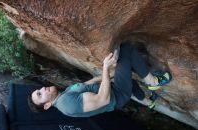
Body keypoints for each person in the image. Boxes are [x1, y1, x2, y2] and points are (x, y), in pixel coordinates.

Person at [28, 41, 171, 117]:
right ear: (46, 105)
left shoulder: (63, 95)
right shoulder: (67, 105)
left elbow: (85, 84)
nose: (42, 89)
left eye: (38, 90)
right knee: (126, 49)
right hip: (118, 95)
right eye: (40, 94)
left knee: (131, 82)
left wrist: (108, 74)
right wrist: (105, 68)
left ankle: (149, 103)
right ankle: (153, 82)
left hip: (115, 91)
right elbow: (103, 100)